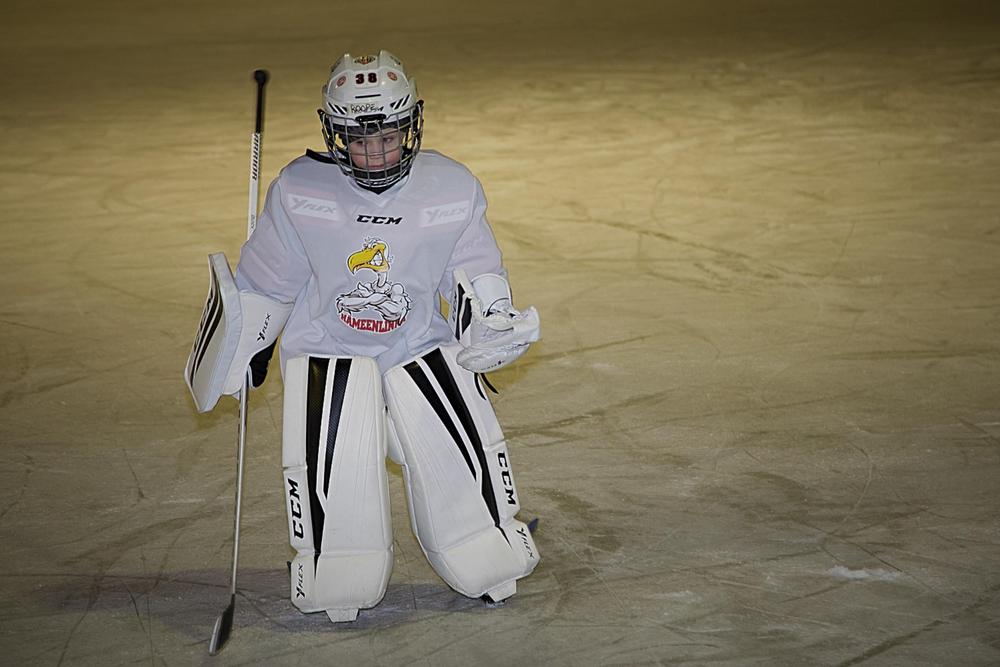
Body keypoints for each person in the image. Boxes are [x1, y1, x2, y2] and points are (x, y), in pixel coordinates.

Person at [191, 50, 541, 623]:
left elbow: (474, 272)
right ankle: (338, 569)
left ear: (412, 124)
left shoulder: (450, 187)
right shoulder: (299, 191)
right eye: (359, 140)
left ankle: (486, 545)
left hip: (418, 350)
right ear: (333, 133)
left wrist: (493, 320)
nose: (375, 154)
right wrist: (242, 345)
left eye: (388, 137)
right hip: (328, 354)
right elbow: (267, 284)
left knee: (470, 508)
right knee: (342, 535)